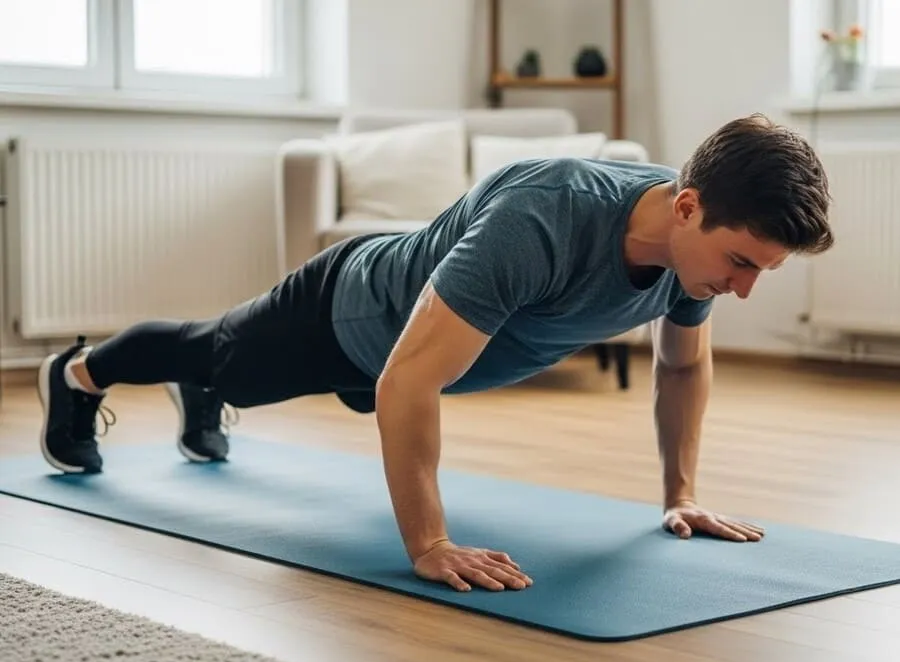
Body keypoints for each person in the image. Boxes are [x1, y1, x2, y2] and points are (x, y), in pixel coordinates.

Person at [37, 113, 833, 594]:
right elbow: (409, 376)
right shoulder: (545, 219)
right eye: (742, 265)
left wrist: (681, 492)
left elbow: (683, 364)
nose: (743, 290)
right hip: (343, 312)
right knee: (213, 350)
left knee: (223, 363)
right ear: (687, 208)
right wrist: (429, 543)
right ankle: (77, 372)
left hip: (400, 350)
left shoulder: (691, 255)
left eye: (762, 272)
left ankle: (203, 390)